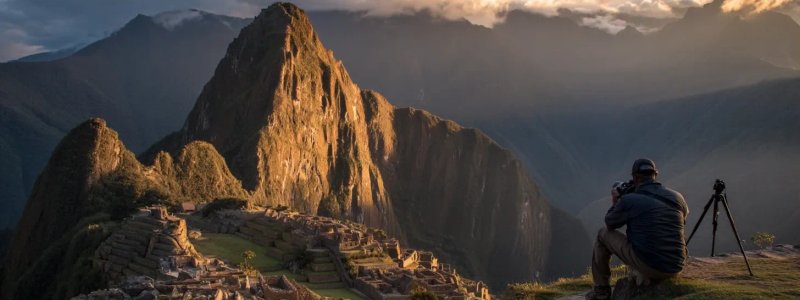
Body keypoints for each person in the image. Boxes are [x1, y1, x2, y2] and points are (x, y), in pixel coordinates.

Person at [586, 159, 689, 300]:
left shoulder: (629, 200)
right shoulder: (677, 197)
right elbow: (683, 218)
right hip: (676, 265)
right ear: (655, 175)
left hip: (651, 266)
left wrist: (617, 201)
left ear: (635, 178)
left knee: (602, 234)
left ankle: (601, 291)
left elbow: (610, 222)